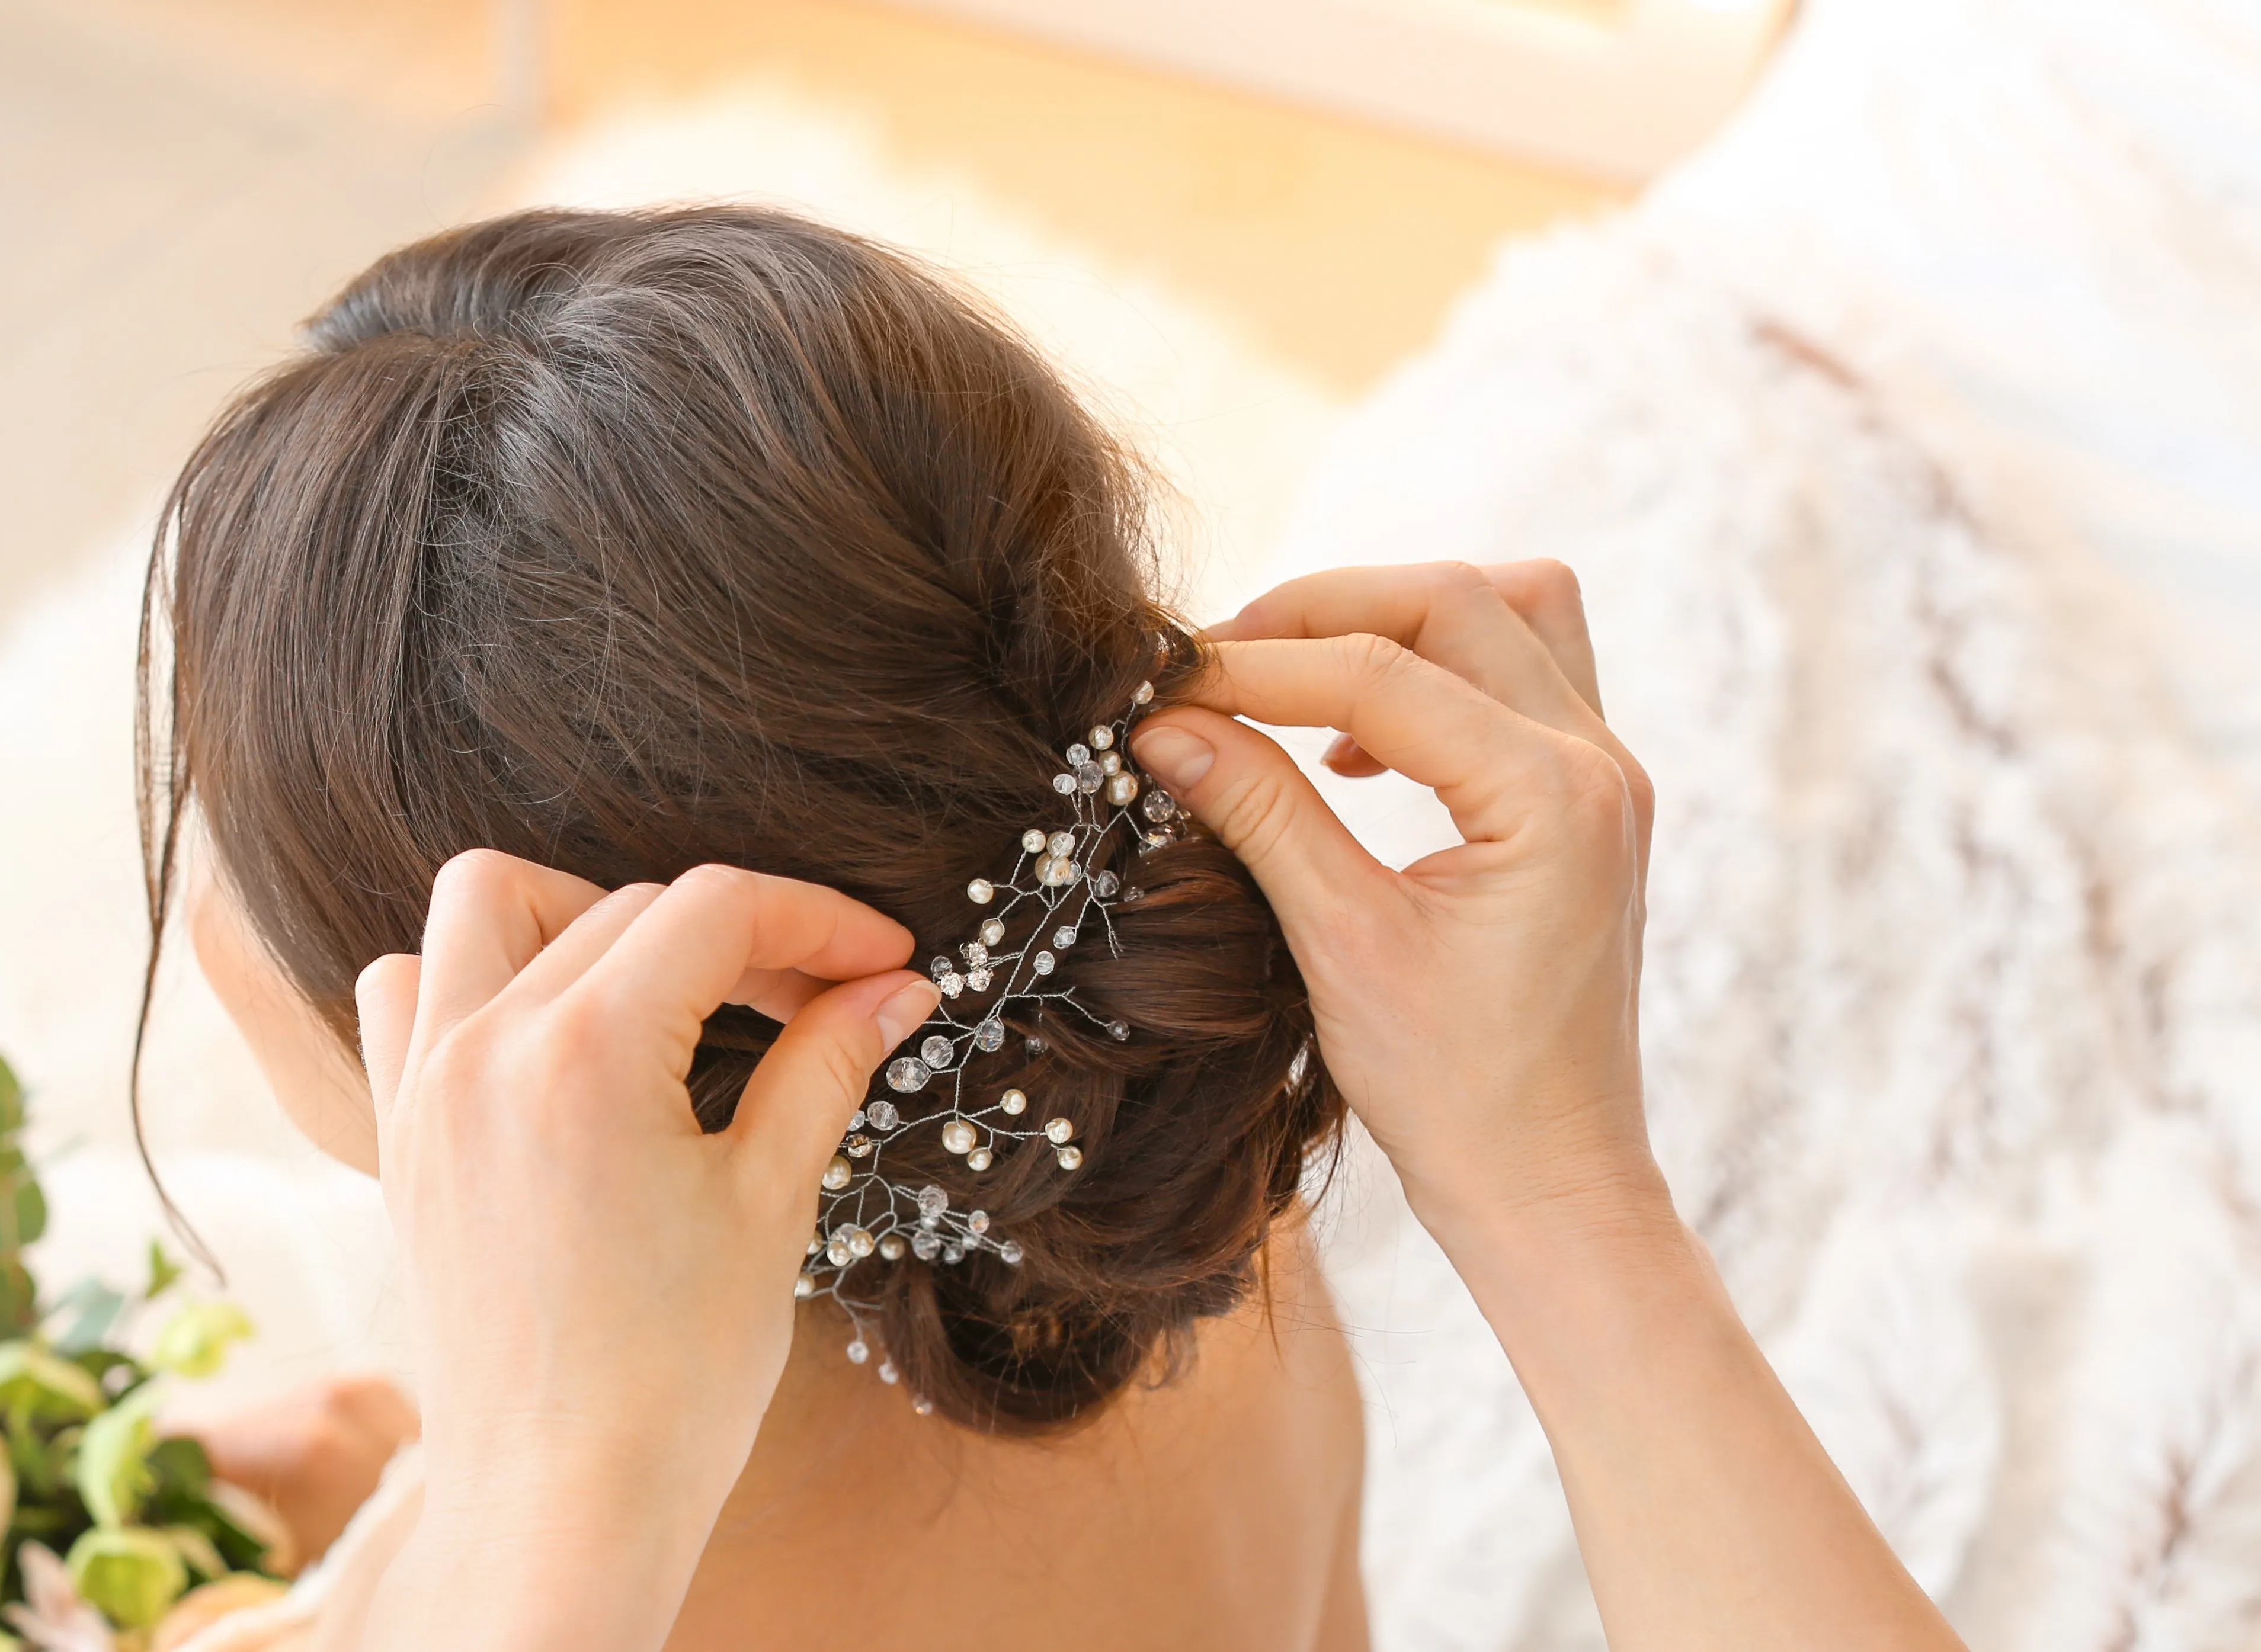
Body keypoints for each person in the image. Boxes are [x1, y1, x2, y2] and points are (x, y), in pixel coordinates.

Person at [140, 205, 1967, 1651]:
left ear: (533, 1031)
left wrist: (506, 1516)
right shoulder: (1151, 1256)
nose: (197, 898)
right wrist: (1566, 1184)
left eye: (221, 822)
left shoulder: (577, 1578)